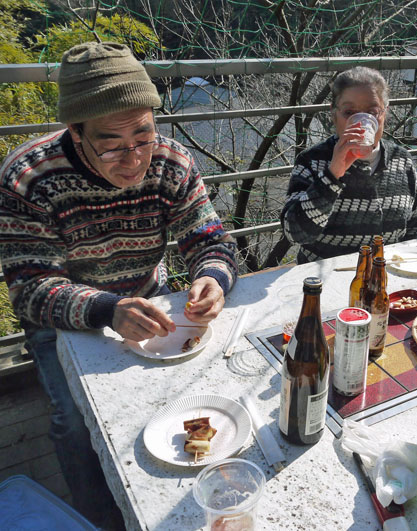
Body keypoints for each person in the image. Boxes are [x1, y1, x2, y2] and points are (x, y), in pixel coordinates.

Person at [0, 42, 238, 527]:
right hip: (61, 323)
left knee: (183, 398)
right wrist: (107, 309)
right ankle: (99, 514)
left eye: (143, 136)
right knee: (74, 421)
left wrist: (212, 276)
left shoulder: (170, 160)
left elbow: (210, 236)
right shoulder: (28, 176)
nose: (134, 159)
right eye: (111, 143)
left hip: (148, 301)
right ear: (76, 132)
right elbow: (29, 286)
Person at [281, 66, 417, 263]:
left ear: (384, 113)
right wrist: (332, 175)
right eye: (349, 112)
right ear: (334, 114)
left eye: (372, 112)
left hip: (386, 278)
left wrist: (412, 266)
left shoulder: (401, 160)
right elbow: (294, 233)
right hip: (327, 281)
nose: (361, 123)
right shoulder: (312, 161)